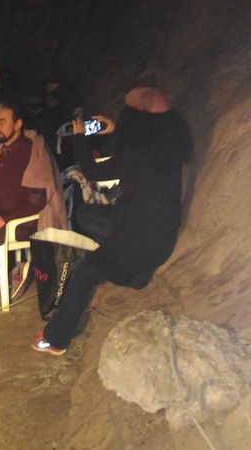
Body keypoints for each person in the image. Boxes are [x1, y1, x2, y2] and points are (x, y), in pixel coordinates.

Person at [31, 86, 193, 356]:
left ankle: (56, 339)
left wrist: (80, 138)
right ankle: (136, 274)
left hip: (138, 242)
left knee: (83, 275)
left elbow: (93, 170)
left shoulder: (135, 156)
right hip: (159, 234)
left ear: (135, 122)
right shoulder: (169, 145)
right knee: (86, 215)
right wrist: (117, 130)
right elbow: (141, 143)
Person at [0, 99, 67, 298]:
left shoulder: (32, 151)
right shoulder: (2, 152)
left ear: (18, 124)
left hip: (23, 223)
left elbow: (37, 200)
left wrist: (2, 220)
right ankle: (5, 274)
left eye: (2, 121)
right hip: (0, 218)